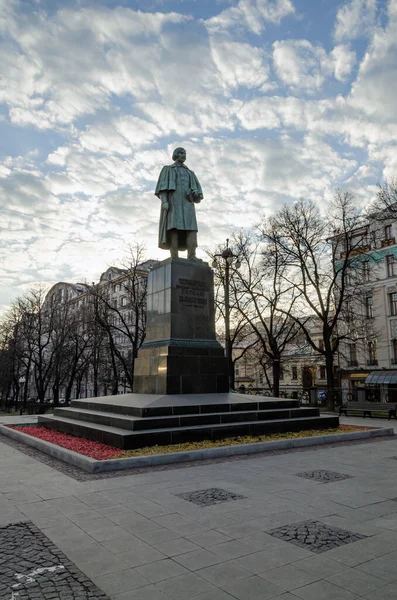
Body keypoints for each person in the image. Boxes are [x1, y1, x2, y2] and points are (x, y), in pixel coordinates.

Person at [155, 147, 203, 261]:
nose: (183, 155)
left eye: (185, 153)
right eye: (181, 153)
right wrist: (164, 201)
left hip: (188, 205)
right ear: (176, 154)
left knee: (191, 229)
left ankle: (192, 256)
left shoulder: (190, 173)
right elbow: (162, 189)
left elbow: (199, 194)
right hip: (173, 203)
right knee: (174, 228)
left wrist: (195, 193)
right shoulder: (168, 169)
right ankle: (174, 256)